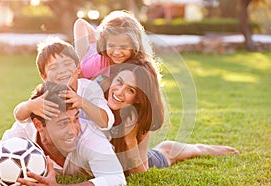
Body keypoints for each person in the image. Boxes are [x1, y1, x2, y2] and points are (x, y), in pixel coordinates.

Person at [0, 82, 126, 186]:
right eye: (63, 123)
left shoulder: (90, 136)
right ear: (39, 125)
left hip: (123, 152)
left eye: (76, 119)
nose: (73, 130)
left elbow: (116, 180)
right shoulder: (20, 135)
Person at [87, 63, 238, 176]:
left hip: (148, 159)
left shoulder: (137, 121)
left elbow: (141, 173)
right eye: (119, 82)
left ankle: (204, 148)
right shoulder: (94, 101)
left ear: (138, 99)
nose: (119, 92)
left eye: (130, 90)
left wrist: (130, 140)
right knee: (166, 147)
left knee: (168, 150)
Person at [14, 36, 114, 130]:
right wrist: (30, 106)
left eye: (67, 64)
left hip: (91, 140)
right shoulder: (46, 93)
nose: (62, 70)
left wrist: (82, 102)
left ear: (78, 68)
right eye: (54, 67)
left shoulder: (89, 88)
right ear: (44, 77)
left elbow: (106, 121)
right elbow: (20, 117)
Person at [73, 10, 158, 80]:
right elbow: (80, 23)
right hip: (87, 56)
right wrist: (99, 38)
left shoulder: (140, 65)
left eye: (123, 47)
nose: (117, 52)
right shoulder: (92, 64)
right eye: (112, 45)